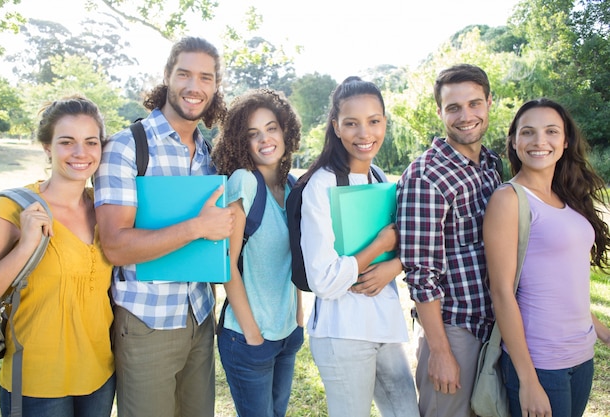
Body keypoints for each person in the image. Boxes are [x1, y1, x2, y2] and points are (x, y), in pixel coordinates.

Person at [93, 36, 235, 417]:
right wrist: (198, 227)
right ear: (167, 77)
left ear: (215, 86)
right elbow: (116, 247)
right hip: (146, 321)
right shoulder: (127, 147)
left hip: (200, 315)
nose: (195, 87)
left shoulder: (208, 153)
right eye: (184, 74)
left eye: (206, 78)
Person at [0, 95, 115, 417]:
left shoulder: (106, 209)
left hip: (100, 376)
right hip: (35, 383)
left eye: (91, 142)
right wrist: (26, 247)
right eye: (66, 142)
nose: (81, 153)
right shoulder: (10, 209)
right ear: (47, 147)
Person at [299, 76, 419, 417]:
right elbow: (323, 281)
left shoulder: (380, 178)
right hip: (343, 333)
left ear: (384, 122)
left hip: (385, 325)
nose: (364, 134)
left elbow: (404, 246)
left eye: (374, 122)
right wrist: (379, 245)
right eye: (351, 124)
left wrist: (394, 265)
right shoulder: (321, 185)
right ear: (336, 127)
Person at [483, 98, 610, 417]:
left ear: (565, 141)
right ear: (514, 142)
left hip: (581, 354)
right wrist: (527, 379)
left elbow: (564, 283)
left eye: (551, 131)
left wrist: (601, 330)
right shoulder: (508, 199)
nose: (540, 141)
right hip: (540, 362)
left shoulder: (567, 197)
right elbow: (501, 293)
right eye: (528, 132)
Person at [396, 64, 502, 417]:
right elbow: (421, 274)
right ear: (439, 111)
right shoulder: (426, 176)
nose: (466, 116)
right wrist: (440, 352)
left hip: (495, 327)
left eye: (474, 104)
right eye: (454, 107)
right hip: (455, 331)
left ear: (489, 103)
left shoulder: (491, 164)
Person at [211, 88, 304, 417]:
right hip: (249, 339)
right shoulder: (243, 184)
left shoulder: (292, 186)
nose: (265, 139)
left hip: (287, 335)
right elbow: (226, 264)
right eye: (253, 133)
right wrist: (253, 333)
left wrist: (298, 319)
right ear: (241, 141)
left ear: (285, 130)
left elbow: (295, 261)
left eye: (271, 128)